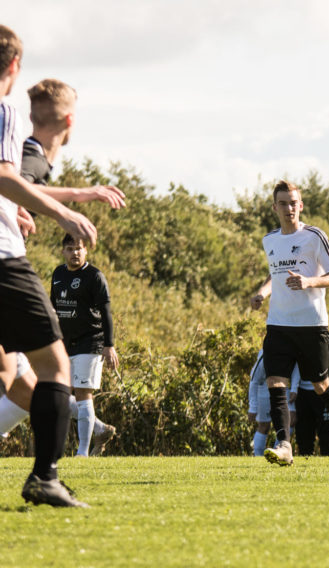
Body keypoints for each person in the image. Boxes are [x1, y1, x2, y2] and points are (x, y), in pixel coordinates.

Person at [0, 25, 98, 507]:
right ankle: (45, 477)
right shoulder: (5, 110)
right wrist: (64, 211)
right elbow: (6, 175)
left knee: (9, 376)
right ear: (14, 67)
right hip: (1, 258)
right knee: (54, 364)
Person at [0, 77, 125, 450]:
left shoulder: (26, 151)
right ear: (70, 121)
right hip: (6, 264)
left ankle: (83, 428)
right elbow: (12, 180)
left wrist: (29, 205)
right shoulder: (32, 153)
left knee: (18, 381)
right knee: (43, 371)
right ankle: (47, 475)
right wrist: (67, 206)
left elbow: (16, 185)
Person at [249, 180, 329, 467]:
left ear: (301, 205)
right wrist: (261, 293)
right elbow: (276, 274)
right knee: (275, 383)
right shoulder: (269, 240)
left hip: (311, 325)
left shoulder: (314, 237)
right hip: (278, 324)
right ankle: (284, 444)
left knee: (321, 385)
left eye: (293, 202)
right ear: (274, 208)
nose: (289, 208)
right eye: (283, 203)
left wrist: (309, 281)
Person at [49, 234, 118, 457]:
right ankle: (99, 429)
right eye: (70, 249)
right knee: (57, 394)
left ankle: (82, 453)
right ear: (63, 251)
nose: (75, 253)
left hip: (91, 342)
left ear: (86, 250)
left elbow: (106, 312)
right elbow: (53, 308)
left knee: (82, 394)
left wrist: (109, 345)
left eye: (79, 248)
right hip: (65, 344)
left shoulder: (94, 276)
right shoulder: (58, 274)